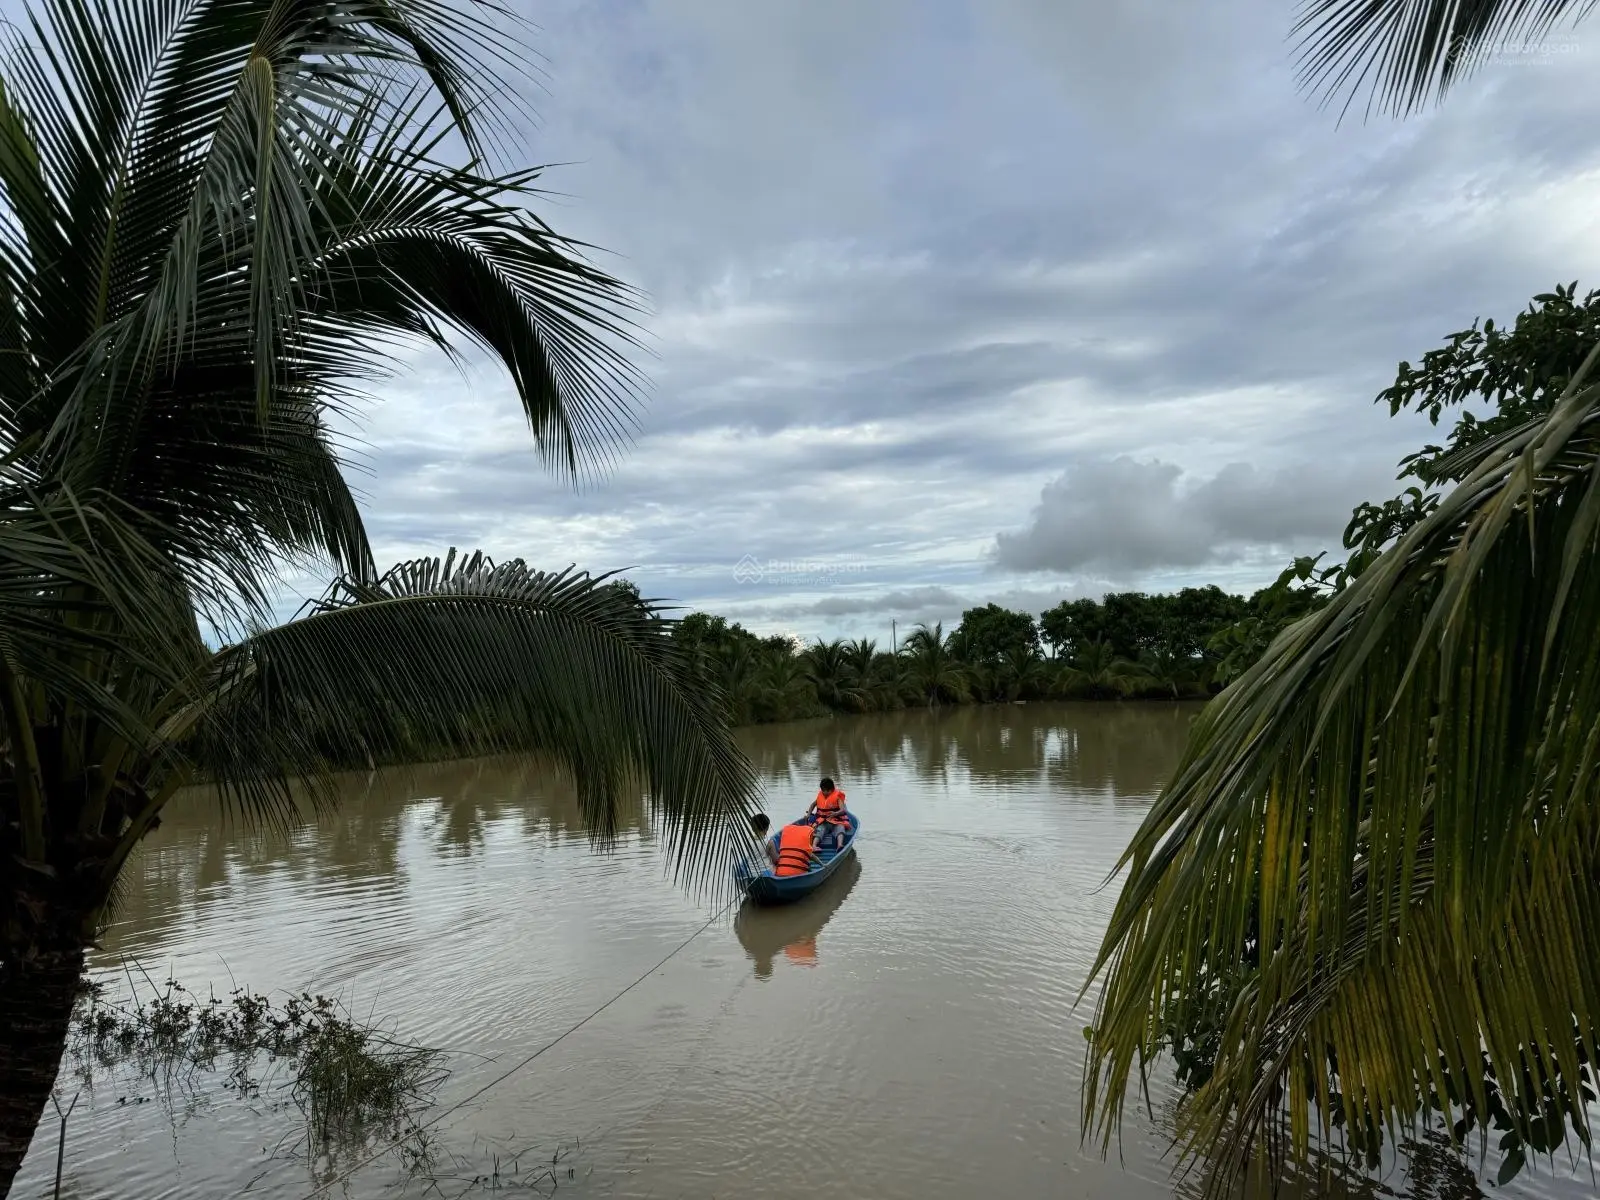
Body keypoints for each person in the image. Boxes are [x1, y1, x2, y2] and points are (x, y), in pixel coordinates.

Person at [806, 776, 850, 851]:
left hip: (836, 820)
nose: (824, 792)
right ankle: (813, 846)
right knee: (819, 829)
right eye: (823, 790)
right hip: (823, 821)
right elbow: (812, 805)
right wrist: (808, 814)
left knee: (840, 828)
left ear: (831, 790)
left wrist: (835, 813)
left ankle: (840, 845)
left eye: (826, 791)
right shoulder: (821, 795)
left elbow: (843, 810)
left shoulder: (837, 796)